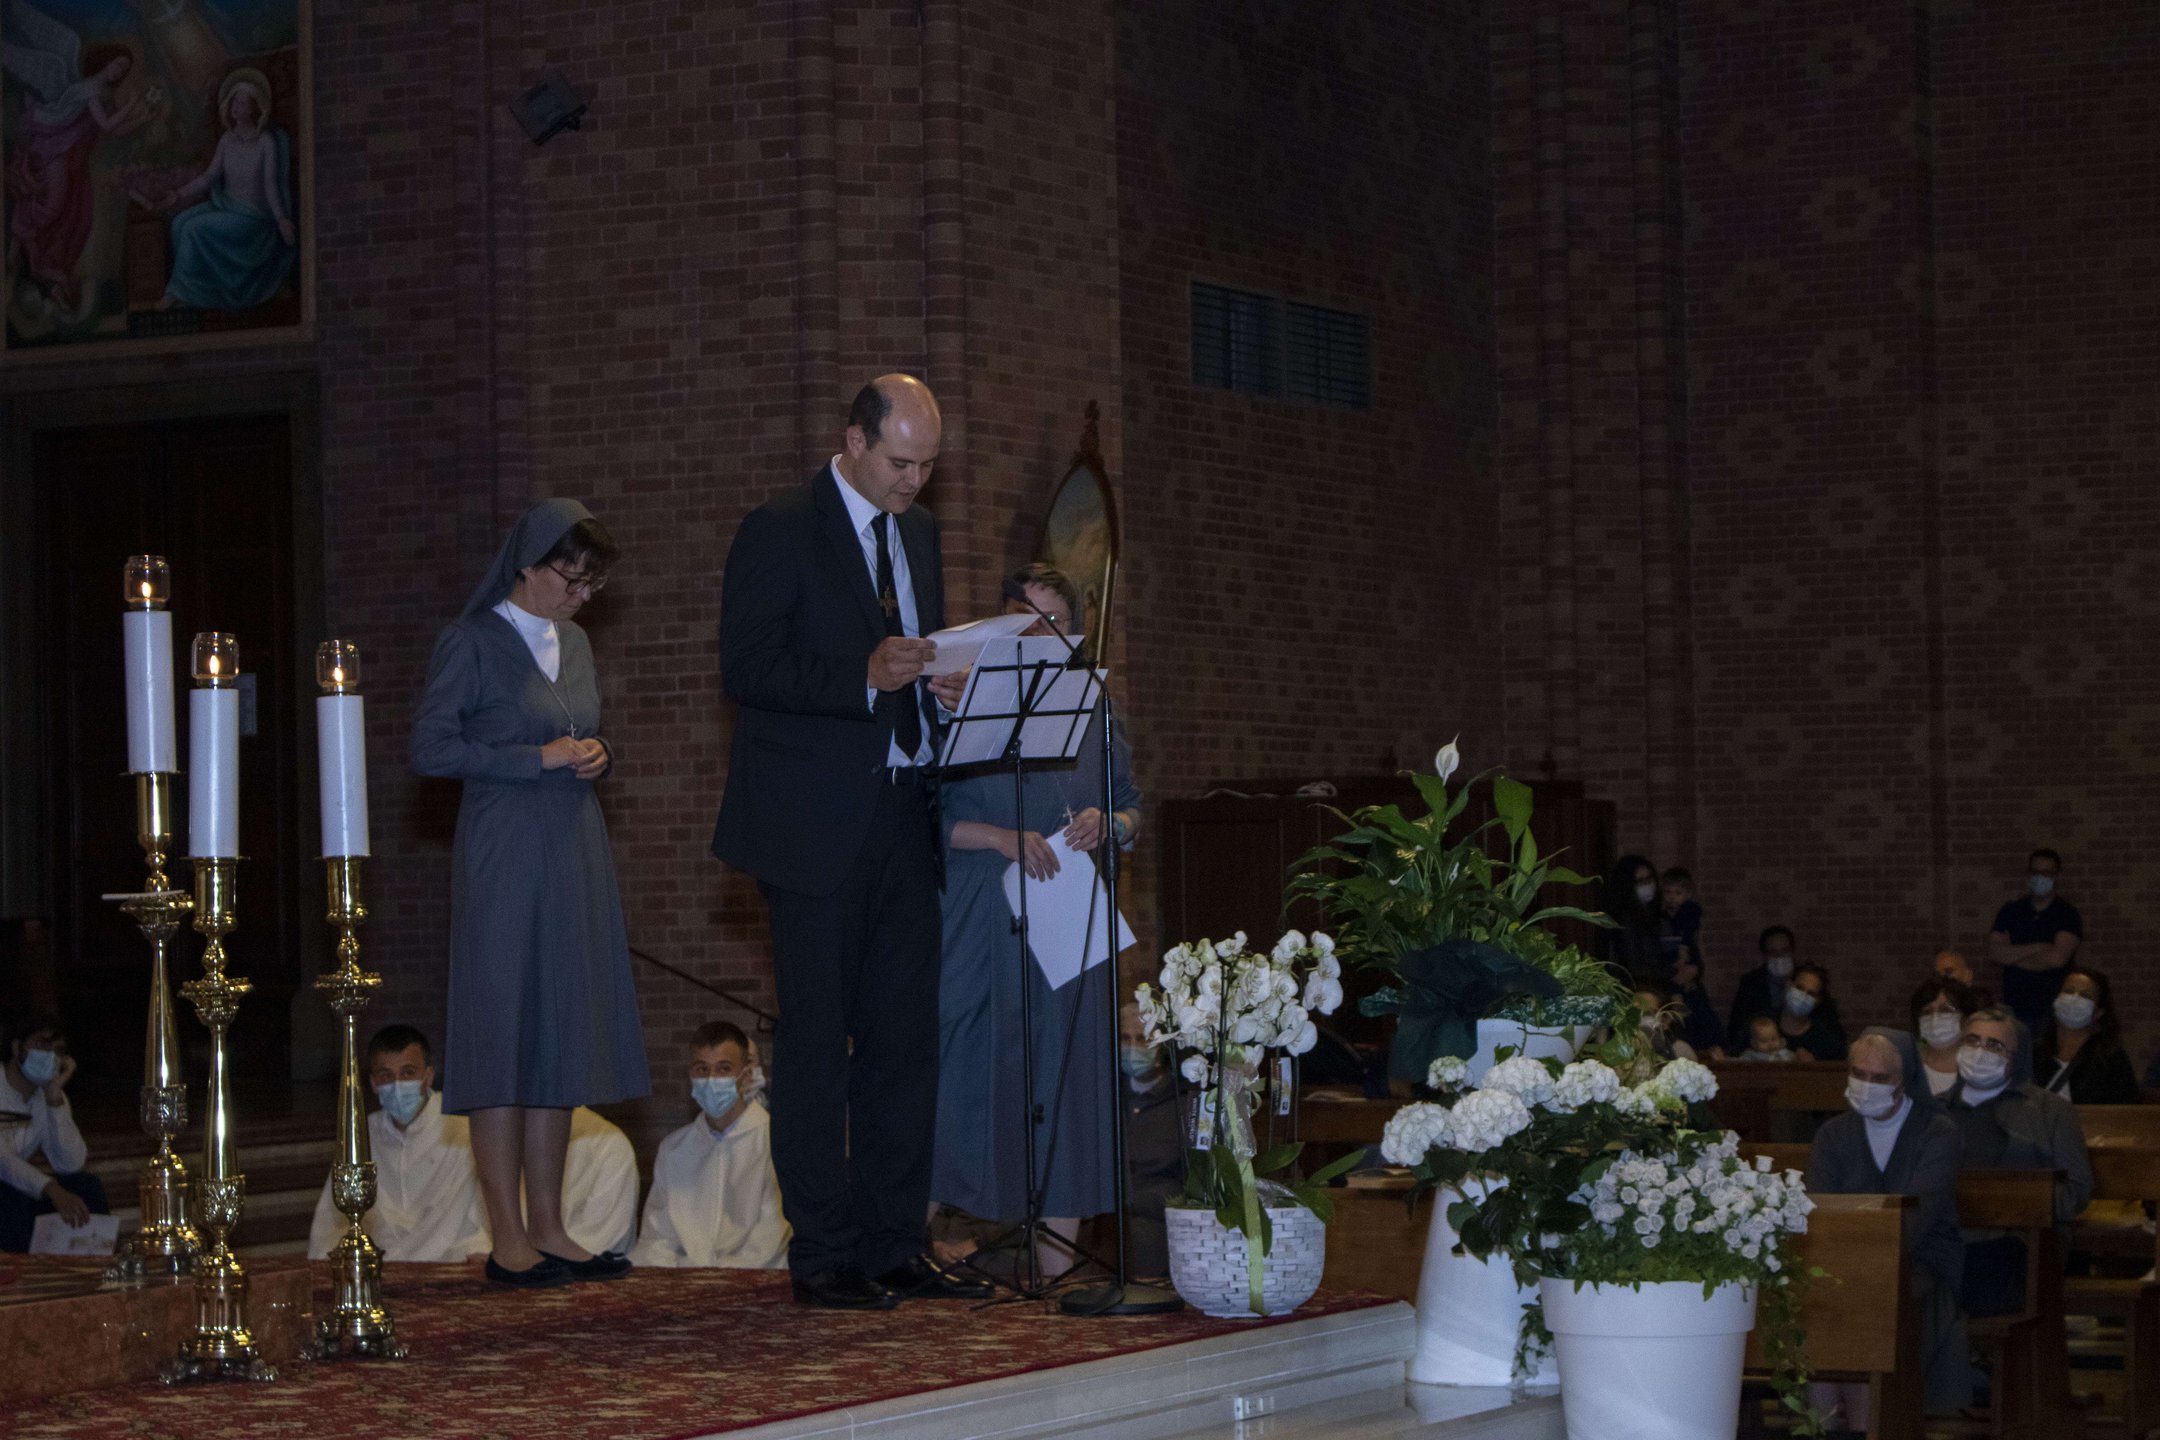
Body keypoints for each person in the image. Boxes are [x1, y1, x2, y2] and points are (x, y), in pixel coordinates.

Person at [712, 374, 986, 1310]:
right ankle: (823, 1250)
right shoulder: (780, 528)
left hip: (905, 812)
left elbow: (914, 659)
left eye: (928, 466)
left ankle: (893, 1243)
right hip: (812, 826)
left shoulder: (920, 533)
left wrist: (939, 687)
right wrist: (864, 676)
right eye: (901, 462)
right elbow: (747, 667)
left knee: (905, 1043)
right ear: (855, 440)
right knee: (818, 1045)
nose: (914, 482)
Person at [411, 499, 649, 1288]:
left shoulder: (574, 643)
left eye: (591, 585)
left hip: (573, 847)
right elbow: (431, 748)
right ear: (527, 563)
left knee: (558, 1031)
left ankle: (551, 1226)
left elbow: (581, 727)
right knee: (502, 1031)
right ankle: (508, 1236)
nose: (580, 597)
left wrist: (599, 752)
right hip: (503, 851)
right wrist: (533, 759)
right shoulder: (472, 640)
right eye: (569, 579)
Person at [931, 561, 1139, 1284]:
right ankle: (908, 1247)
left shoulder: (1094, 706)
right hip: (978, 907)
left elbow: (1131, 806)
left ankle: (1055, 1274)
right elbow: (918, 821)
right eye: (1026, 620)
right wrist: (1001, 838)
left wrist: (1106, 821)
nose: (1040, 634)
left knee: (1068, 1072)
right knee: (959, 1065)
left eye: (1055, 623)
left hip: (1066, 903)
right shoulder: (952, 698)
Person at [1807, 1032, 1969, 1420]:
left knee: (1865, 1301)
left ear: (1905, 1079)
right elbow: (1819, 1209)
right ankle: (1821, 1424)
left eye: (1880, 1078)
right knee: (1816, 1300)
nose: (1866, 1085)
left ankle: (1868, 1424)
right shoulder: (1833, 1134)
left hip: (1920, 1260)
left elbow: (1917, 1218)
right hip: (1843, 1260)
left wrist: (1861, 1258)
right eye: (1858, 1073)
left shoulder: (1938, 1132)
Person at [1942, 1006, 2093, 1317]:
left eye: (1994, 1045)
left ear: (2016, 1056)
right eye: (1972, 1040)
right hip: (1948, 1237)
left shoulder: (2050, 1111)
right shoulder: (1934, 1111)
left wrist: (2017, 1200)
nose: (1980, 1052)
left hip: (2022, 1241)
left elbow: (2077, 1190)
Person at [307, 1025, 488, 1263]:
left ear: (428, 1076)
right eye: (386, 1076)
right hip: (380, 1263)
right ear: (373, 1083)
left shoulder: (463, 1128)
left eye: (408, 1073)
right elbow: (332, 1221)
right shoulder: (362, 1136)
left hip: (450, 1260)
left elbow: (487, 1208)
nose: (397, 1084)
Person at [631, 1021, 788, 1270]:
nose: (711, 1079)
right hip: (683, 1279)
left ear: (746, 1075)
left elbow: (769, 1240)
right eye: (702, 1069)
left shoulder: (774, 1143)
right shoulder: (674, 1149)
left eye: (724, 1069)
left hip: (752, 1276)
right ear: (691, 1075)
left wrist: (716, 1279)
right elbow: (656, 1238)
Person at [153, 69, 296, 312]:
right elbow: (209, 176)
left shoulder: (265, 142)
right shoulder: (227, 139)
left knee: (192, 228)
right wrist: (179, 194)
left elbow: (271, 185)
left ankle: (175, 292)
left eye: (242, 102)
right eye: (233, 101)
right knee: (178, 224)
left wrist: (281, 219)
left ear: (254, 108)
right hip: (225, 206)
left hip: (251, 217)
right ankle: (200, 290)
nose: (235, 107)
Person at [0, 1012, 106, 1252]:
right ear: (17, 1048)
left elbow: (70, 1164)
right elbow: (3, 1162)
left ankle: (93, 1257)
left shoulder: (48, 1094)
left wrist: (54, 1099)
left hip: (16, 1185)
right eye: (41, 1045)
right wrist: (52, 1189)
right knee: (12, 1199)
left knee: (85, 1186)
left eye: (57, 1050)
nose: (50, 1056)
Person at [1117, 1002, 1184, 1279]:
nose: (1133, 1048)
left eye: (1142, 1039)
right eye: (1125, 1039)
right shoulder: (1107, 1093)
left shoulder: (1182, 1099)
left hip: (1157, 1215)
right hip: (1109, 1213)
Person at [1987, 848, 2082, 1037]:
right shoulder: (2011, 911)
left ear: (2056, 876)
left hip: (2052, 1008)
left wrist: (2014, 955)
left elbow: (2057, 959)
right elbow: (1996, 953)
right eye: (2035, 872)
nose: (2040, 878)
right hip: (2015, 1005)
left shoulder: (2067, 914)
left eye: (2046, 873)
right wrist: (2040, 947)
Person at [2032, 966, 2140, 1105]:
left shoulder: (2111, 1059)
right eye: (2069, 991)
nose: (2074, 999)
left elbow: (2128, 1109)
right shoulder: (2034, 1053)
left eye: (2085, 996)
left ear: (2099, 1012)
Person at [1726, 926, 1798, 1052]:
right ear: (1764, 955)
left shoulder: (1806, 980)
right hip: (1760, 1052)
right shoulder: (1751, 983)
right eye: (1773, 952)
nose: (1779, 957)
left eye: (1784, 950)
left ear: (1792, 951)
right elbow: (1738, 1025)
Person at [1597, 854, 1665, 985]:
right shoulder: (1623, 920)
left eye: (1649, 879)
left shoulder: (1655, 914)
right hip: (1635, 987)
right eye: (1640, 881)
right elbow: (1632, 964)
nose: (1647, 885)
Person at [1911, 977, 1981, 1099]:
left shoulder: (1981, 1066)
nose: (1935, 1018)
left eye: (1945, 1010)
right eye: (1927, 1011)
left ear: (1966, 1018)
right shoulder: (1909, 1065)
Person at [1775, 963, 1846, 1062]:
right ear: (1788, 985)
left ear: (1818, 1001)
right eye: (1799, 988)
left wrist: (1813, 1066)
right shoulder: (1760, 1023)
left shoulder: (1827, 1038)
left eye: (1811, 993)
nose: (1803, 996)